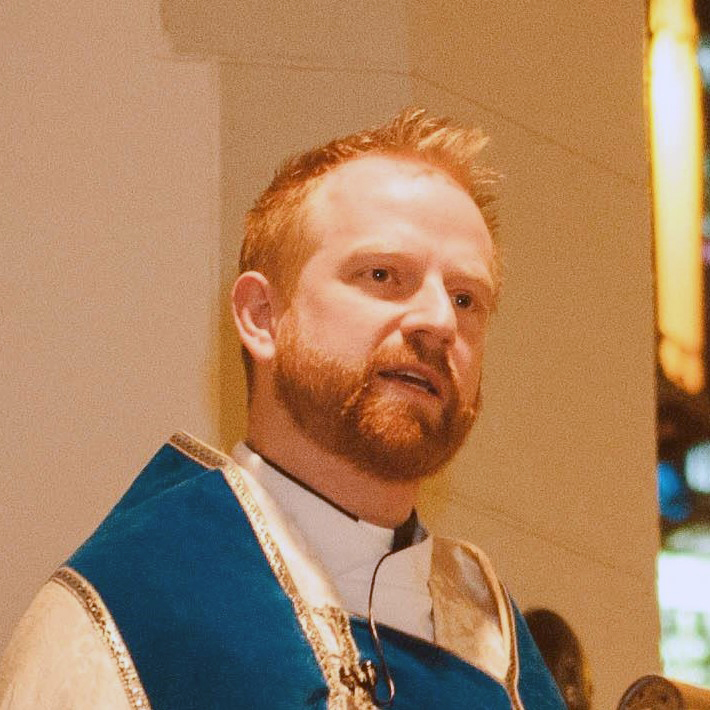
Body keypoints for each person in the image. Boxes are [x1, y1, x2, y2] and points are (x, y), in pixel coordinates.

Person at [0, 108, 565, 709]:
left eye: (466, 298)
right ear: (262, 317)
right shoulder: (131, 617)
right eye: (382, 274)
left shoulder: (499, 655)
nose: (439, 321)